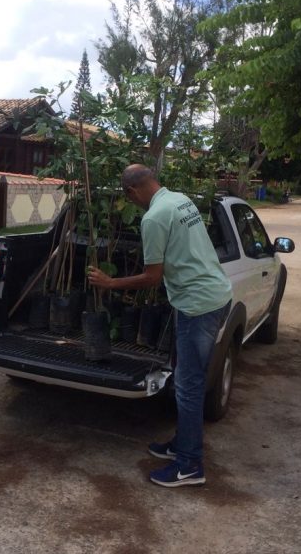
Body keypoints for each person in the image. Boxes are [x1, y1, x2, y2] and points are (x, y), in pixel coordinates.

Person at [87, 164, 232, 487]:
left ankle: (190, 466)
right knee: (186, 380)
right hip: (215, 296)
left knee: (189, 388)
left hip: (198, 306)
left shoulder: (154, 218)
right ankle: (183, 445)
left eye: (129, 198)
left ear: (131, 192)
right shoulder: (180, 200)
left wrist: (110, 284)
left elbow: (152, 276)